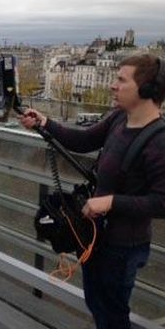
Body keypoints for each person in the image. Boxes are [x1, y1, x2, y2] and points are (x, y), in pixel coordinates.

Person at [19, 54, 165, 329]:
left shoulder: (158, 141)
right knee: (99, 307)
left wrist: (110, 201)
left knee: (111, 315)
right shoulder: (120, 118)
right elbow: (84, 140)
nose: (113, 85)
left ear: (146, 90)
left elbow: (161, 202)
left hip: (122, 247)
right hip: (96, 238)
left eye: (121, 80)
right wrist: (45, 122)